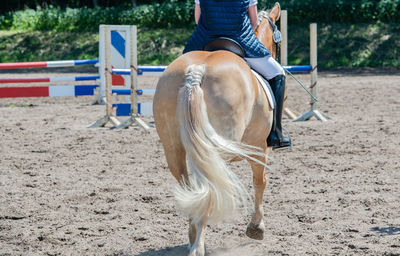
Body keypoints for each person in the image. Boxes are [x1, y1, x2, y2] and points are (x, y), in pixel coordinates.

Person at [183, 0, 291, 149]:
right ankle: (276, 134)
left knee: (177, 71)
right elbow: (254, 22)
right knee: (278, 73)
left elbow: (198, 19)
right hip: (240, 41)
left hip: (204, 40)